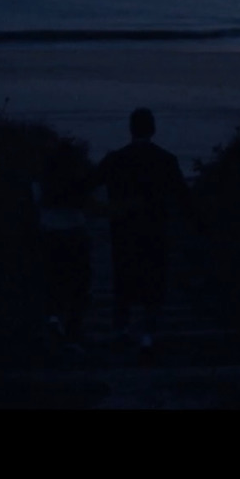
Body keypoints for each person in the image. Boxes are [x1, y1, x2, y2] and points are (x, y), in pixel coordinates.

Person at [94, 108, 190, 359]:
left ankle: (122, 330)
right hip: (155, 231)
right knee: (154, 283)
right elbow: (183, 196)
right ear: (153, 129)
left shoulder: (115, 159)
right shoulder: (166, 160)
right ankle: (148, 337)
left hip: (123, 230)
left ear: (131, 129)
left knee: (124, 280)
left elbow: (89, 182)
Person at [33, 140, 94, 355]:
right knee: (78, 286)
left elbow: (36, 206)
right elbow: (88, 204)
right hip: (75, 233)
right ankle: (73, 335)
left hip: (49, 234)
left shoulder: (42, 181)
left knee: (52, 281)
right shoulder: (78, 180)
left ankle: (53, 318)